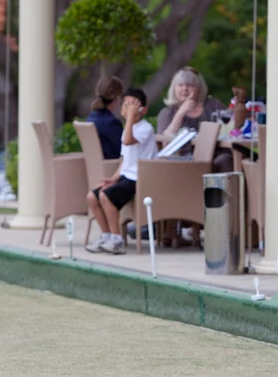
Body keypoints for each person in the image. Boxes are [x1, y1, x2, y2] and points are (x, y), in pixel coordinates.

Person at [85, 88, 156, 255]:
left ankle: (117, 240)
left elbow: (128, 141)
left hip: (139, 178)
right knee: (92, 196)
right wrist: (113, 178)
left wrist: (130, 118)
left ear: (143, 110)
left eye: (132, 105)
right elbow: (124, 160)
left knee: (106, 196)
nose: (127, 108)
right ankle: (106, 235)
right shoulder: (128, 128)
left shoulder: (145, 128)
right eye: (125, 105)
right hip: (126, 176)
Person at [155, 66, 236, 173]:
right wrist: (181, 112)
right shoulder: (167, 112)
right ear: (174, 88)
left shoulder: (213, 105)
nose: (185, 89)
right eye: (180, 85)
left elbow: (233, 128)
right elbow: (165, 144)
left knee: (225, 159)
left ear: (199, 88)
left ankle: (227, 190)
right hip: (183, 158)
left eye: (190, 85)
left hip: (215, 155)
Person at [86, 76, 124, 159]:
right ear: (117, 98)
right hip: (112, 167)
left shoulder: (90, 118)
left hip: (95, 168)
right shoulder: (112, 123)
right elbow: (124, 150)